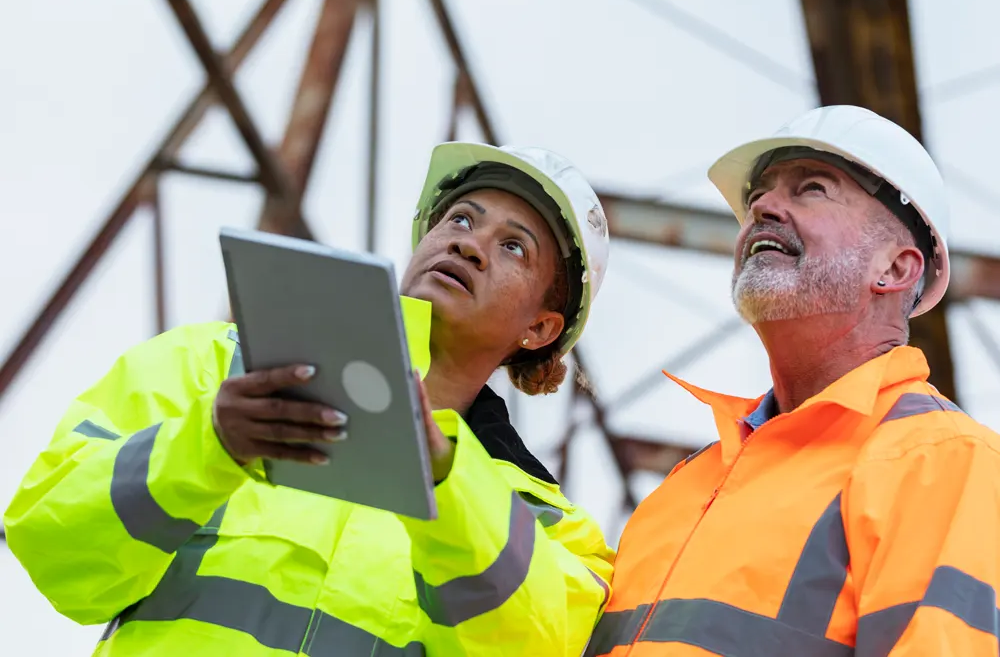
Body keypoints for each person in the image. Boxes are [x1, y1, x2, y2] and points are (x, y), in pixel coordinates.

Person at [4, 142, 615, 656]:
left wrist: (445, 482)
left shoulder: (553, 531)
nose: (469, 244)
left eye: (514, 247)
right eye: (459, 219)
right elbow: (52, 545)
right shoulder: (208, 368)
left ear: (540, 329)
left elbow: (535, 644)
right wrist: (208, 446)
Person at [585, 105, 1000, 656]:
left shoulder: (939, 459)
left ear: (896, 269)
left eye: (810, 188)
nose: (762, 206)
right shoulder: (685, 488)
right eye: (759, 194)